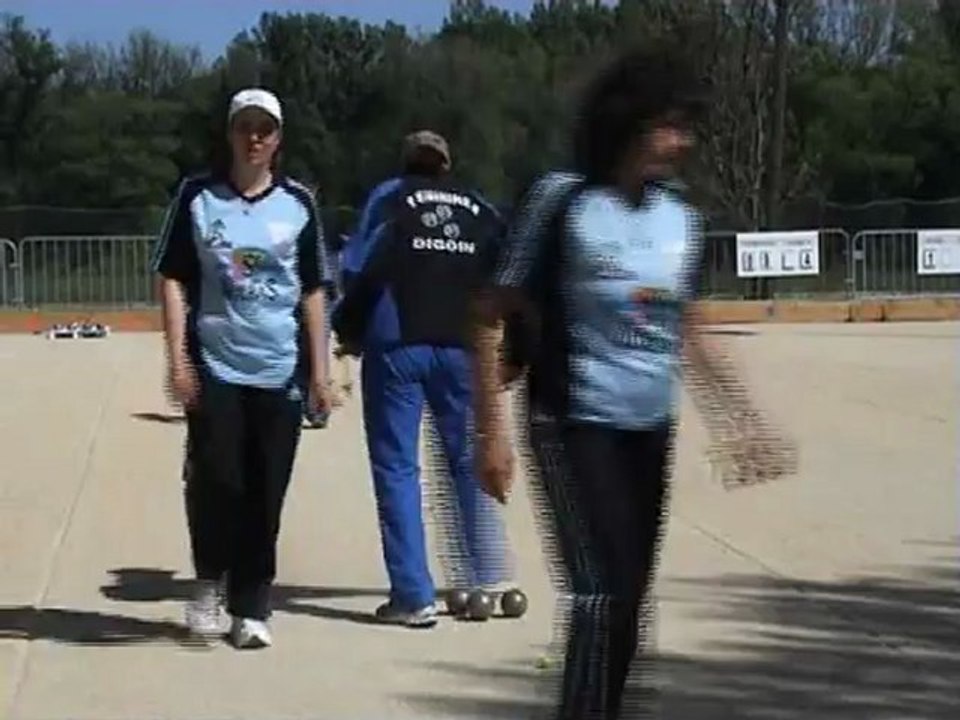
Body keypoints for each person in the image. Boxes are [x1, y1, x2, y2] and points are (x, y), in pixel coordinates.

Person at [470, 48, 796, 718]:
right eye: (669, 125)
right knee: (599, 593)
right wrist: (489, 433)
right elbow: (489, 313)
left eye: (686, 126)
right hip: (571, 423)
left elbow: (687, 326)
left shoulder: (680, 216)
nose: (684, 142)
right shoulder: (560, 201)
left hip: (648, 428)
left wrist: (740, 419)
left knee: (631, 599)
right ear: (628, 122)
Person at [151, 87, 334, 649]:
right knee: (217, 481)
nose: (255, 138)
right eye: (245, 127)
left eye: (266, 129)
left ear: (278, 140)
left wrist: (321, 373)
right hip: (216, 365)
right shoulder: (198, 198)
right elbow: (174, 277)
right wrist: (178, 360)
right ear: (230, 133)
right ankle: (209, 581)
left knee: (266, 490)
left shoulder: (299, 203)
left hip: (280, 370)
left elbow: (313, 291)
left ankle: (252, 605)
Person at [333, 130, 515, 627]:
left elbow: (360, 267)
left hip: (399, 343)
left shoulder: (390, 197)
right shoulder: (479, 207)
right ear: (446, 164)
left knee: (397, 468)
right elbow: (509, 273)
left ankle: (413, 596)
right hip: (463, 348)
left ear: (406, 161)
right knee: (464, 462)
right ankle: (482, 580)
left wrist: (347, 329)